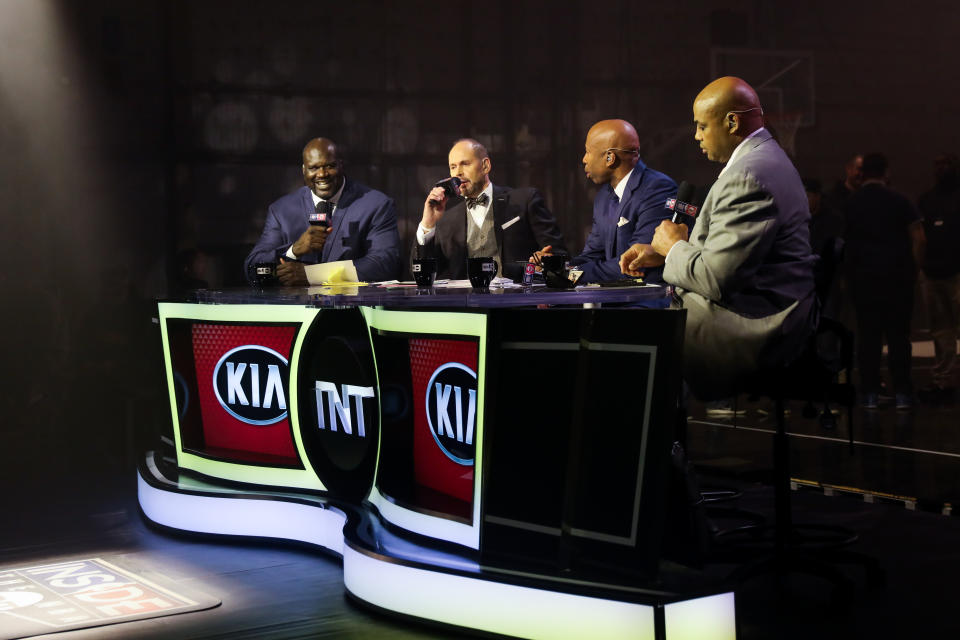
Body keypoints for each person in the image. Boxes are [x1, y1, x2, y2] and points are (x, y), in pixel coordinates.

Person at [620, 77, 818, 400]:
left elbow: (717, 278)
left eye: (701, 126)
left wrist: (674, 249)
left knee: (623, 339)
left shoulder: (748, 176)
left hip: (755, 325)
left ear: (731, 122)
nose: (696, 136)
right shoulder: (763, 160)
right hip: (763, 309)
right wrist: (664, 252)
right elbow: (734, 258)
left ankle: (652, 446)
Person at [244, 138, 400, 285]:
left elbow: (385, 264)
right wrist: (293, 250)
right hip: (296, 310)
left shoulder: (376, 205)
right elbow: (253, 269)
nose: (322, 174)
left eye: (330, 166)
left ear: (341, 165)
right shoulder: (281, 211)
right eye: (314, 168)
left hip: (352, 309)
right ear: (304, 170)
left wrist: (312, 275)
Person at [415, 138, 566, 281]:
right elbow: (420, 273)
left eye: (465, 164)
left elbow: (560, 255)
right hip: (468, 306)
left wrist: (546, 262)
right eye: (453, 167)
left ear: (485, 166)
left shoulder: (524, 201)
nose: (458, 172)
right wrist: (428, 224)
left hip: (518, 303)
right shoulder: (447, 220)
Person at [843, 152, 926, 410]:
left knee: (868, 337)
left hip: (864, 279)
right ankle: (902, 391)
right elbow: (919, 238)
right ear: (886, 173)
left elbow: (845, 243)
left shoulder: (852, 203)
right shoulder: (900, 200)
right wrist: (915, 269)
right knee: (899, 337)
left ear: (862, 173)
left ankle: (869, 392)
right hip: (897, 278)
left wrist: (848, 276)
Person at [557, 119, 675, 283]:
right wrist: (557, 268)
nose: (584, 159)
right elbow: (592, 255)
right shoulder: (603, 197)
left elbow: (634, 263)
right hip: (612, 297)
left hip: (644, 301)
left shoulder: (657, 189)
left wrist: (571, 276)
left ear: (609, 158)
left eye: (588, 152)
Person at [917, 154, 960, 402]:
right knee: (941, 330)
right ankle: (943, 380)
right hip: (933, 273)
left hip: (956, 272)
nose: (941, 168)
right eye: (938, 164)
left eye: (946, 164)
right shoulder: (927, 199)